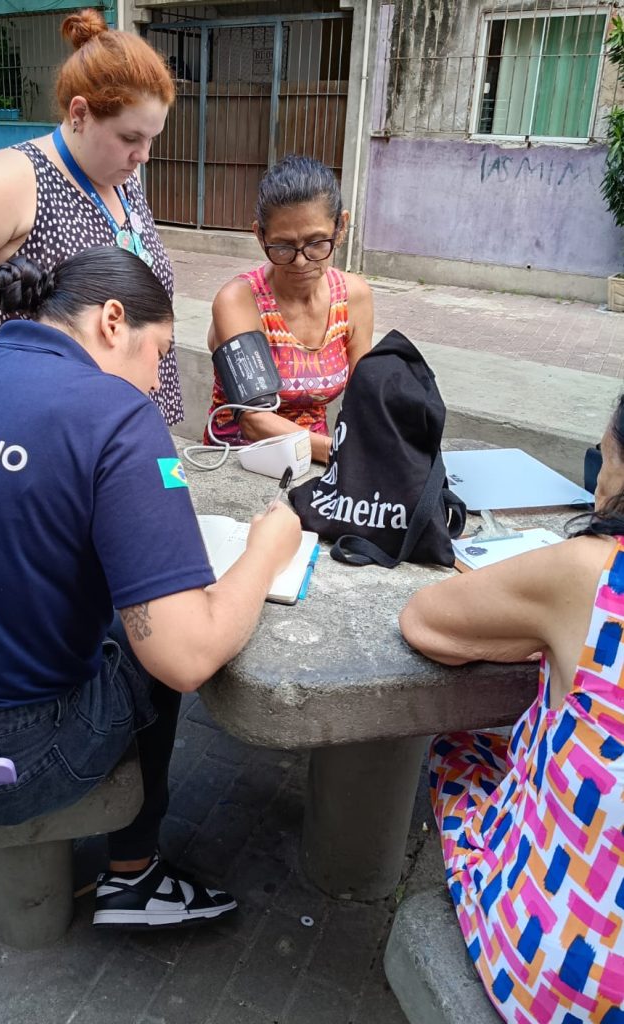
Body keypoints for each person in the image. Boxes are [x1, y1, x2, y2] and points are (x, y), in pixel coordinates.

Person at [0, 247, 301, 930]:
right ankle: (134, 874)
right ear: (112, 320)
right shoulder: (117, 415)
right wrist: (265, 551)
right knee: (144, 632)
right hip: (19, 764)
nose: (155, 382)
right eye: (159, 353)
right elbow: (187, 656)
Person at [399, 401, 624, 1022]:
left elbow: (425, 620)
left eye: (603, 459)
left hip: (576, 978)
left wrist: (540, 627)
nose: (598, 483)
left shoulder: (591, 572)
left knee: (463, 749)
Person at [0, 9, 185, 426]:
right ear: (80, 114)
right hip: (54, 422)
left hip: (132, 416)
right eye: (130, 137)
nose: (143, 155)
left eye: (151, 139)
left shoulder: (121, 177)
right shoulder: (19, 177)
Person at [203, 156, 374, 463]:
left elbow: (365, 398)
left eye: (316, 243)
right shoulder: (240, 301)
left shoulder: (354, 297)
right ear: (260, 236)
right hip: (241, 459)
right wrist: (343, 454)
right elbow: (254, 420)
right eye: (283, 246)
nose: (300, 261)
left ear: (341, 227)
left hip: (317, 459)